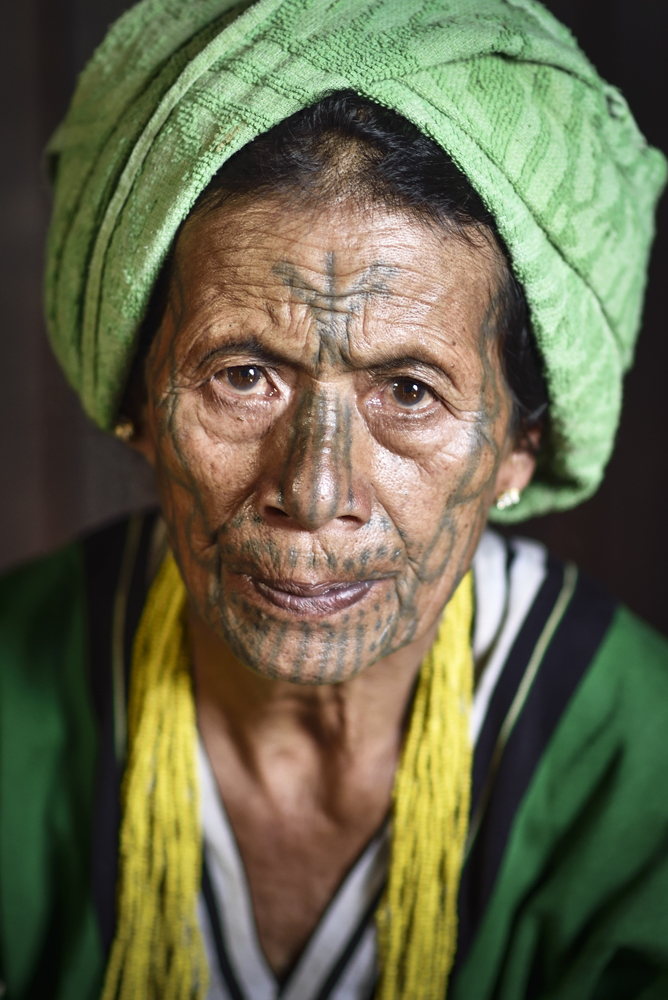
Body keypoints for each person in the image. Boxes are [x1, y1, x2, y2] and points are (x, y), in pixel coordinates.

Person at [0, 1, 666, 998]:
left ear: (519, 447)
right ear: (137, 399)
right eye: (242, 375)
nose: (314, 492)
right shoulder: (16, 704)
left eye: (409, 392)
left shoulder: (637, 766)